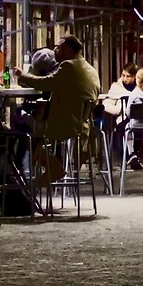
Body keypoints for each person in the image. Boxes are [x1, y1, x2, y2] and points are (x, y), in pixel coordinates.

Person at [20, 37, 99, 182]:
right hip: (83, 126)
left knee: (20, 126)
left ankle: (49, 166)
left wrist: (22, 76)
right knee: (32, 128)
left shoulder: (69, 66)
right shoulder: (90, 68)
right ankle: (43, 169)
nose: (55, 50)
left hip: (65, 125)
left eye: (58, 47)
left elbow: (46, 83)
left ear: (68, 50)